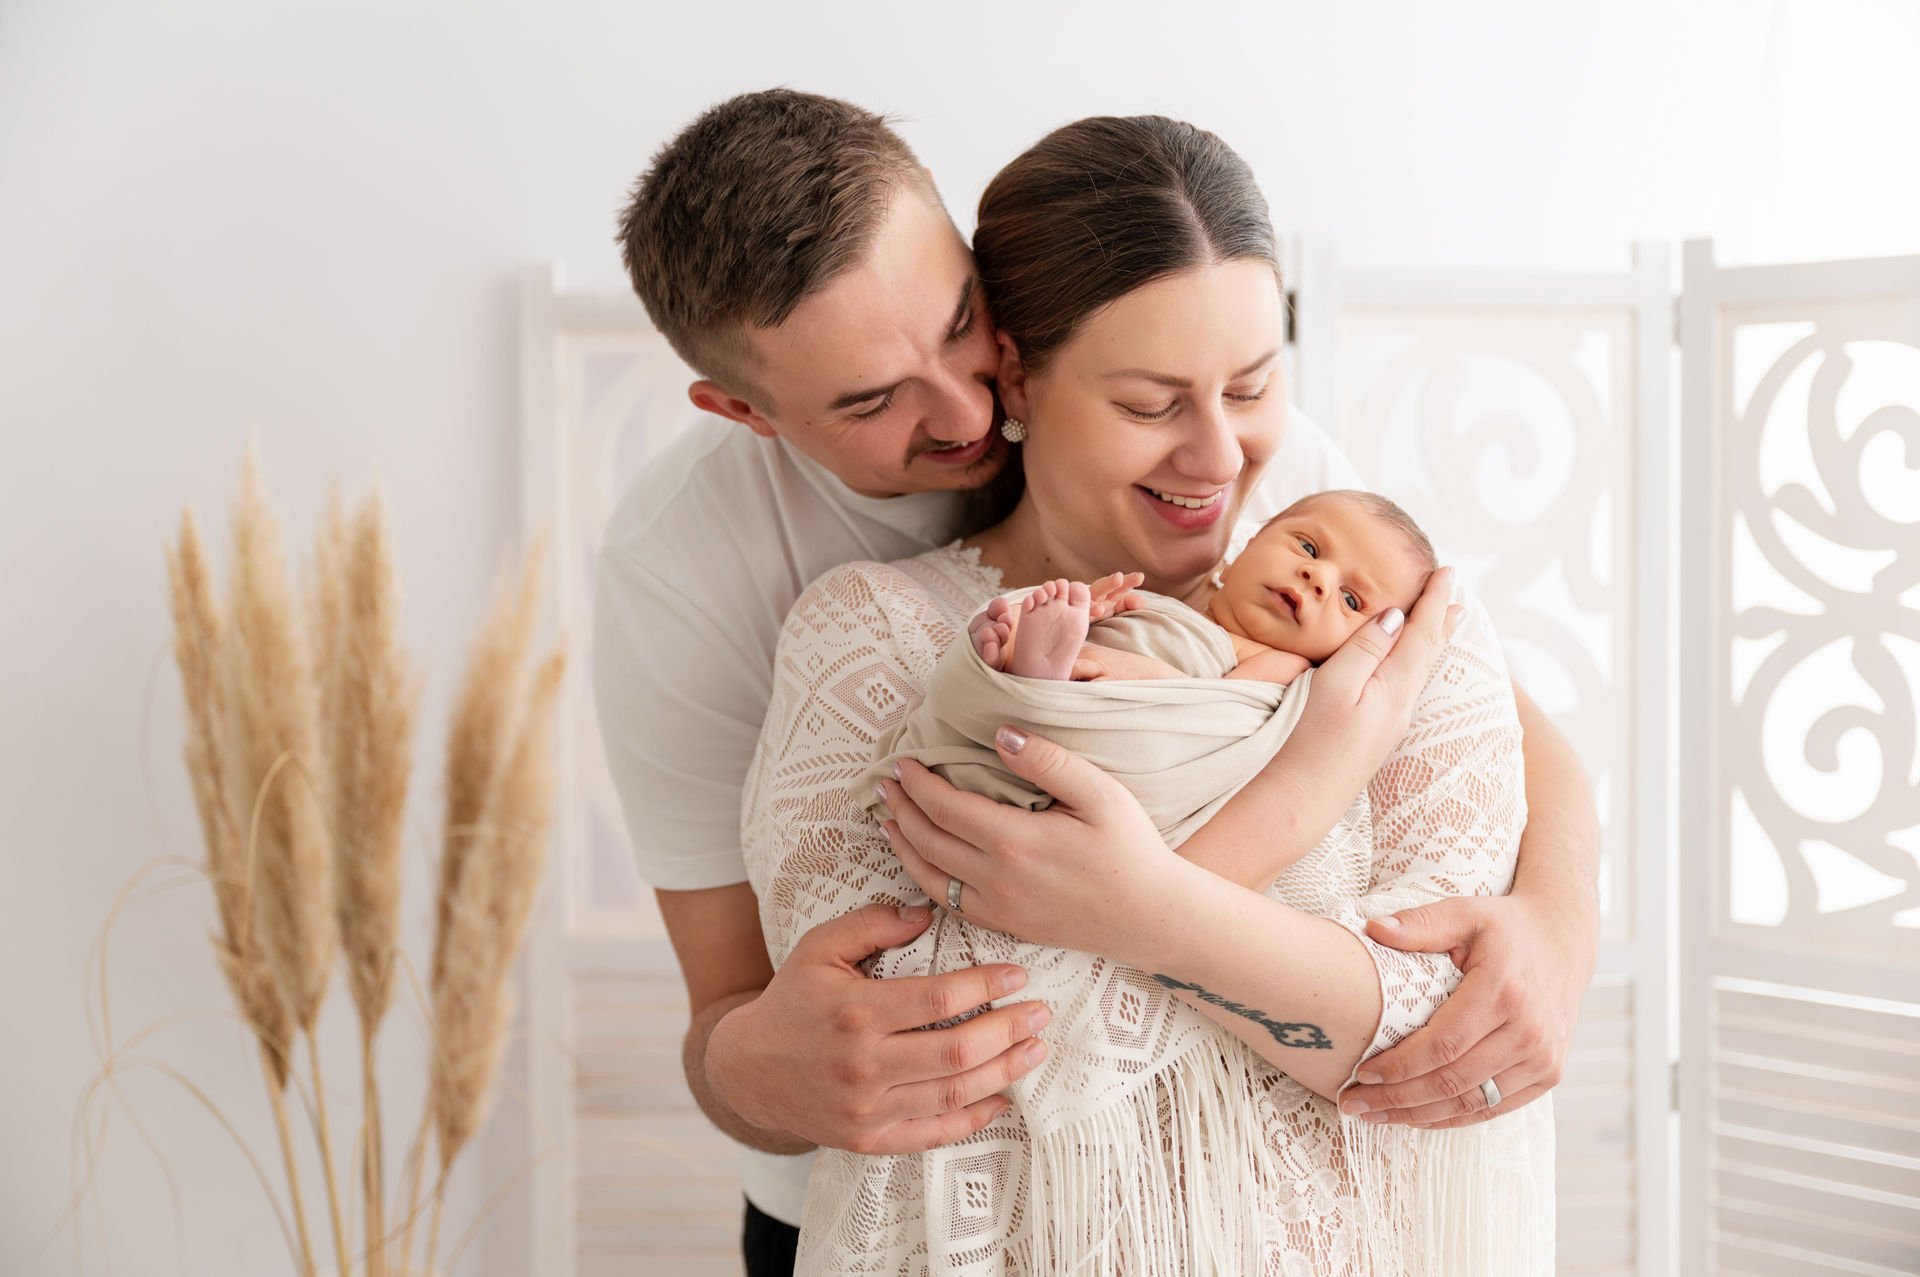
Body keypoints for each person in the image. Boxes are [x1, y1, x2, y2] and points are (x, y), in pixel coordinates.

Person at [595, 90, 1599, 1274]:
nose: (966, 409)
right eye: (872, 400)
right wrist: (756, 1061)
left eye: (964, 323)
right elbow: (760, 1006)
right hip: (903, 1180)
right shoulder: (702, 570)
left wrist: (1558, 928)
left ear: (1000, 316)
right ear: (742, 409)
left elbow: (1485, 721)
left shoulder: (1262, 481)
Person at [967, 489, 1437, 684]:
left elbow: (1216, 708)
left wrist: (1120, 669)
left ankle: (1041, 670)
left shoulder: (1285, 667)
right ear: (1244, 551)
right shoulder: (1180, 608)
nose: (1318, 578)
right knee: (1081, 609)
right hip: (1094, 665)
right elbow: (1145, 631)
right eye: (1309, 549)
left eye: (1351, 600)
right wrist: (1099, 609)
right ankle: (1019, 657)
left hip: (1144, 702)